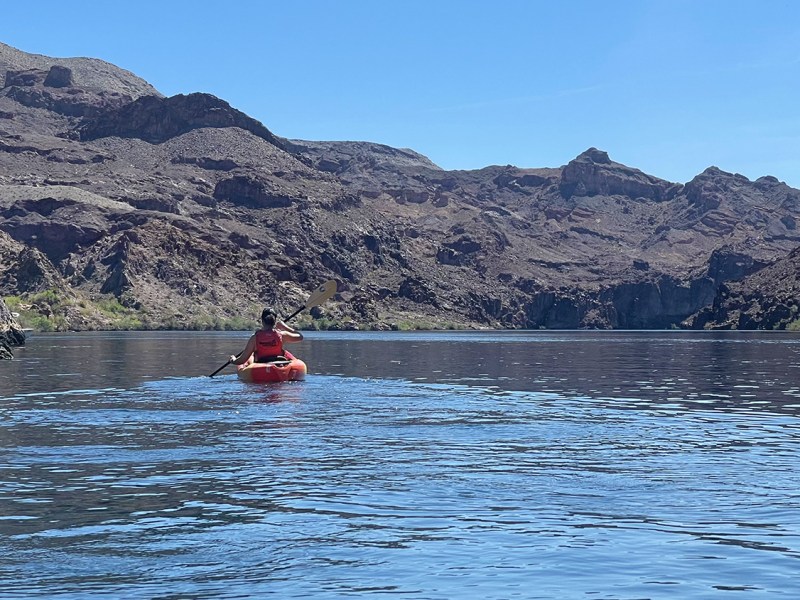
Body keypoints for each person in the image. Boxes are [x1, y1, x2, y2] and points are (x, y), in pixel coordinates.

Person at [229, 307, 304, 366]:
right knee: (284, 353)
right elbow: (300, 337)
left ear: (262, 321)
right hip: (278, 364)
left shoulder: (254, 338)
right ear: (274, 321)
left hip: (261, 366)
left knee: (252, 355)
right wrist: (284, 326)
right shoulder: (282, 335)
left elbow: (242, 360)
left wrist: (233, 360)